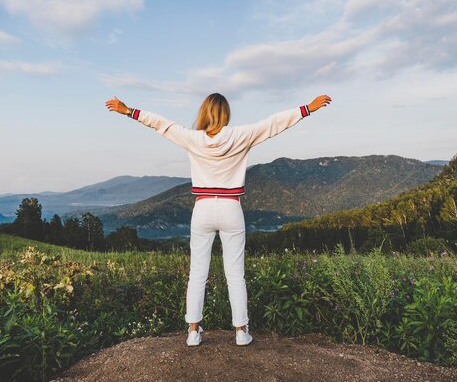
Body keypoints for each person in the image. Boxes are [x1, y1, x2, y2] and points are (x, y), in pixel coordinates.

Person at [105, 93, 332, 347]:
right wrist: (307, 108)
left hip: (202, 209)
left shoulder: (192, 138)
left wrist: (128, 111)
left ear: (203, 113)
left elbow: (161, 124)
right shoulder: (241, 135)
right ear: (226, 114)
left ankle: (193, 331)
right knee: (235, 275)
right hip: (230, 208)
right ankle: (241, 332)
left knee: (197, 273)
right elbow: (274, 124)